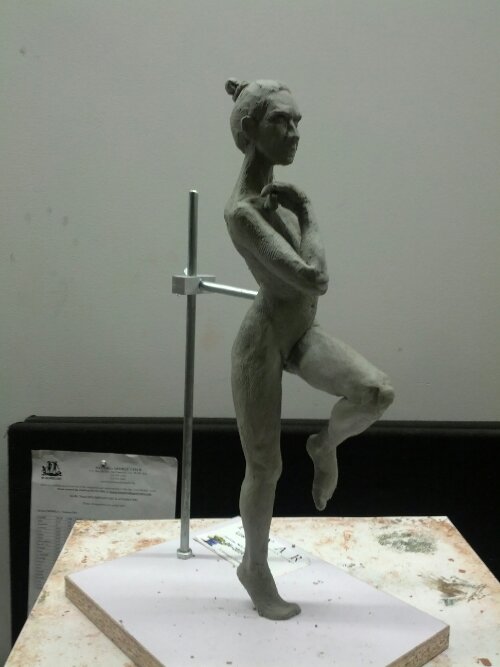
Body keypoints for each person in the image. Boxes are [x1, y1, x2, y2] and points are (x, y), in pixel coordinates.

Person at [224, 78, 395, 620]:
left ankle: (326, 445)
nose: (295, 132)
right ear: (251, 128)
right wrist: (309, 211)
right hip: (262, 344)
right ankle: (254, 567)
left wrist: (298, 208)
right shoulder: (244, 211)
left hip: (299, 333)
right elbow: (313, 277)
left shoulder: (273, 198)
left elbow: (309, 284)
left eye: (298, 121)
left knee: (375, 392)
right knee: (265, 467)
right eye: (281, 121)